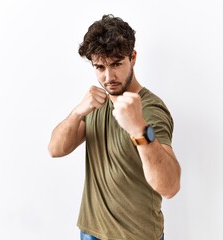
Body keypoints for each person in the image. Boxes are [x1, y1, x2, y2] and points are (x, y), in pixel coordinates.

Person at [48, 14, 181, 240]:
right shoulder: (95, 103)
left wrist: (139, 128)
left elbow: (169, 187)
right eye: (99, 67)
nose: (108, 76)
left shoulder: (150, 109)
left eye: (117, 64)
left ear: (133, 58)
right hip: (91, 232)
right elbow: (55, 149)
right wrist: (78, 111)